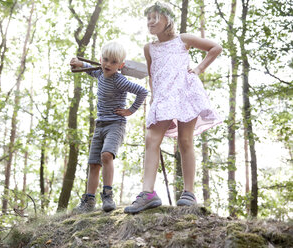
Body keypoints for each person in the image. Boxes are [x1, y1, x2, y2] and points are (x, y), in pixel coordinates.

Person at [124, 2, 223, 214]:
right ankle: (148, 193)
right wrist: (153, 98)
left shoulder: (183, 40)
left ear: (167, 20)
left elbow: (215, 48)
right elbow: (153, 74)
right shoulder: (149, 48)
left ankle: (189, 192)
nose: (150, 21)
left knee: (185, 141)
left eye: (155, 17)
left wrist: (198, 69)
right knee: (151, 139)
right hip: (163, 97)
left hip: (185, 92)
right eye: (148, 18)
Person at [70, 41, 148, 213]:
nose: (108, 64)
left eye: (113, 62)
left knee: (106, 155)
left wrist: (130, 110)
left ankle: (107, 195)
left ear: (120, 65)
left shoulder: (120, 80)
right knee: (93, 163)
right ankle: (89, 201)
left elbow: (142, 91)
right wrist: (78, 63)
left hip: (116, 124)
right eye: (105, 60)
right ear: (100, 59)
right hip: (100, 124)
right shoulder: (99, 72)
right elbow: (87, 67)